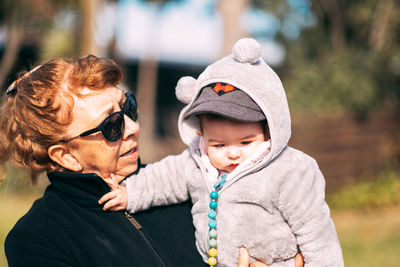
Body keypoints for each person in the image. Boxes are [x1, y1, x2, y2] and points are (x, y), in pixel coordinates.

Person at [99, 38, 344, 267]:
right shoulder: (197, 162)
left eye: (246, 142)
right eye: (219, 145)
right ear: (201, 136)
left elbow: (316, 231)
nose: (233, 154)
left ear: (268, 131)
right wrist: (131, 193)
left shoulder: (289, 171)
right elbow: (164, 177)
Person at [0, 55, 209, 267]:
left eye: (128, 107)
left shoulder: (181, 183)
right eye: (111, 125)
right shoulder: (37, 240)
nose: (133, 128)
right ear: (66, 156)